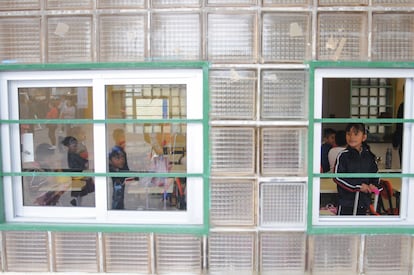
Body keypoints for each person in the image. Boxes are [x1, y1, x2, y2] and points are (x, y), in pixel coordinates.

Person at [334, 123, 380, 215]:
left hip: (364, 202)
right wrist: (357, 187)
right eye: (348, 134)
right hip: (346, 203)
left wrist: (373, 185)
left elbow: (375, 175)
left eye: (356, 134)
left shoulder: (369, 156)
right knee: (345, 228)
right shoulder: (343, 156)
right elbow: (338, 177)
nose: (351, 137)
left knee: (362, 227)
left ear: (364, 137)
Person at [392, 101, 404, 166]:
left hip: (405, 142)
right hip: (404, 141)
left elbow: (399, 125)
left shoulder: (404, 106)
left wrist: (396, 142)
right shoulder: (404, 106)